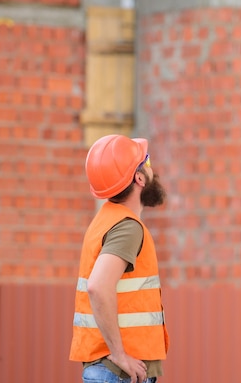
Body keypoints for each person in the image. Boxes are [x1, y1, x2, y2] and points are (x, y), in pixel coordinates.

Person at [69, 134, 169, 383]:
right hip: (119, 373)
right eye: (146, 161)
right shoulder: (127, 227)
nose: (151, 167)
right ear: (139, 178)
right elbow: (98, 286)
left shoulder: (106, 220)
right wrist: (119, 354)